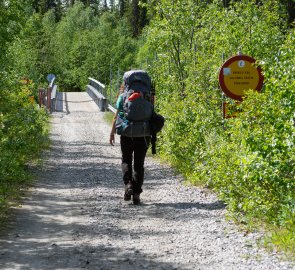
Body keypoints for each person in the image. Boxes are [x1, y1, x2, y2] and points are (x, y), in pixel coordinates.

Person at [109, 86, 150, 205]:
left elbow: (116, 116)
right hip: (143, 134)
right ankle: (136, 194)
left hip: (127, 133)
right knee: (139, 164)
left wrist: (112, 133)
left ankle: (128, 185)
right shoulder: (147, 96)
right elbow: (151, 113)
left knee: (126, 160)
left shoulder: (122, 97)